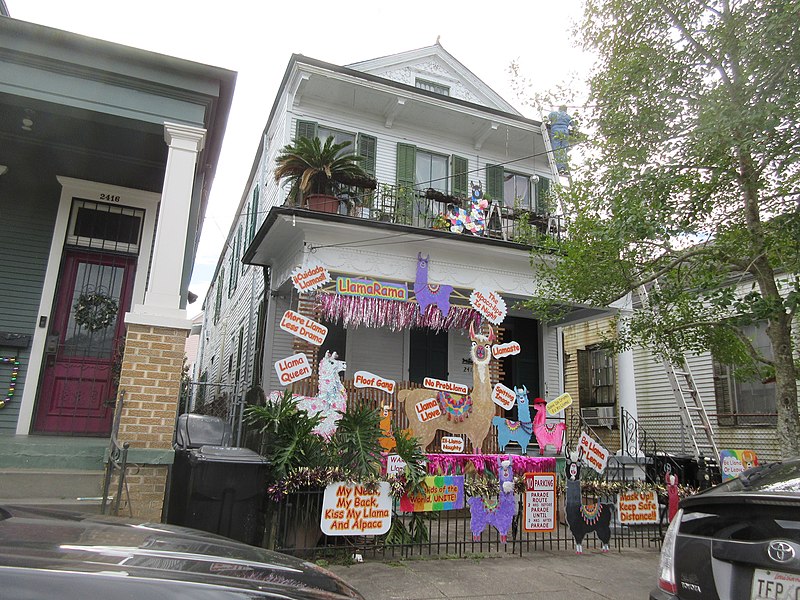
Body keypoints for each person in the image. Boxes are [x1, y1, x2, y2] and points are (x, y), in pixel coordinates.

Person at [547, 105, 573, 174]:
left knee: (556, 149)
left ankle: (560, 167)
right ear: (566, 110)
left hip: (556, 131)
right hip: (565, 131)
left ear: (559, 109)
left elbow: (547, 119)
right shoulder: (567, 116)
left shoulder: (554, 114)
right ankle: (564, 167)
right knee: (564, 149)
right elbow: (573, 124)